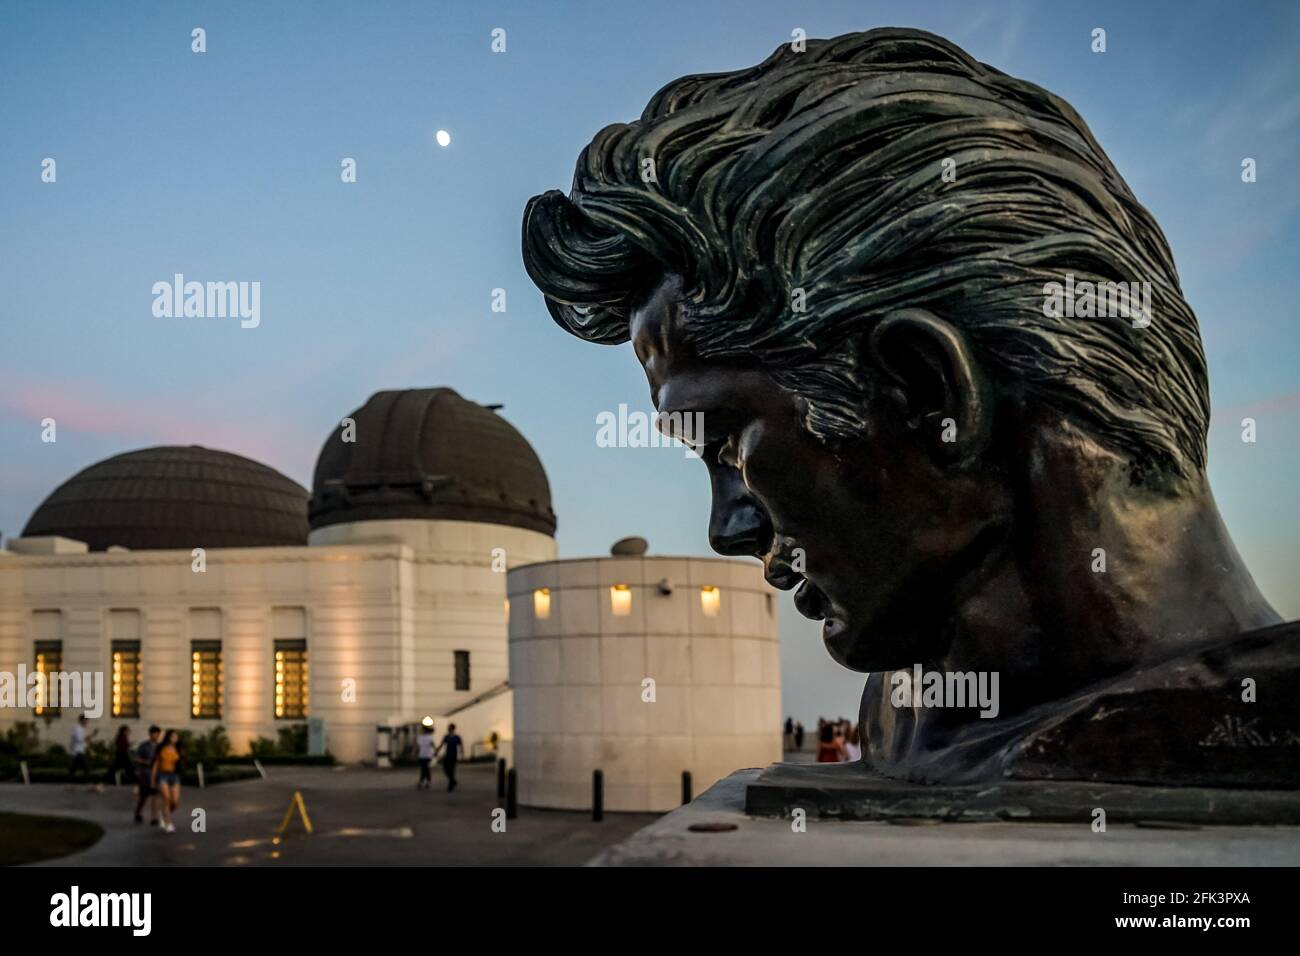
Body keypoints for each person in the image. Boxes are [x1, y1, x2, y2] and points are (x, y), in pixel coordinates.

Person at [151, 729, 182, 833]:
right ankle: (168, 823)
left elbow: (180, 763)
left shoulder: (178, 749)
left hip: (174, 776)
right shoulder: (161, 748)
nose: (176, 738)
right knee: (167, 799)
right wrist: (153, 780)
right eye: (174, 736)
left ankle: (163, 813)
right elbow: (155, 765)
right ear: (168, 737)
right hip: (162, 775)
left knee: (175, 802)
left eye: (177, 736)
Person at [134, 725, 162, 824]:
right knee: (143, 797)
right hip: (145, 774)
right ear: (150, 734)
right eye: (155, 734)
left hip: (156, 775)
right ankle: (138, 813)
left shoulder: (160, 746)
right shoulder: (144, 746)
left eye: (158, 734)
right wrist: (146, 762)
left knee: (155, 796)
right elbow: (137, 758)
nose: (157, 736)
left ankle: (154, 817)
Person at [68, 715, 98, 782]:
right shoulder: (77, 729)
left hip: (79, 752)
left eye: (87, 720)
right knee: (86, 768)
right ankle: (88, 783)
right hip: (78, 752)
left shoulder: (81, 729)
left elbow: (85, 740)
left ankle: (70, 783)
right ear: (81, 720)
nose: (87, 722)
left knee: (73, 769)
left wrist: (90, 749)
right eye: (86, 720)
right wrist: (92, 734)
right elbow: (80, 740)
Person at [435, 723, 463, 792]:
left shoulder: (457, 737)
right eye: (448, 728)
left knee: (452, 770)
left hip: (454, 755)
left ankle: (450, 785)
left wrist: (462, 754)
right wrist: (437, 751)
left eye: (449, 728)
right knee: (445, 769)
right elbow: (442, 744)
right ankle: (453, 780)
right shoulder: (446, 736)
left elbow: (461, 746)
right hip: (447, 755)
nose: (448, 729)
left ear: (453, 729)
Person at [416, 722, 435, 790]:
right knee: (425, 768)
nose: (421, 730)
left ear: (424, 730)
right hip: (421, 754)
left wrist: (435, 752)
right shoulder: (420, 737)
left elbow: (432, 744)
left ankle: (421, 782)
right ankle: (428, 782)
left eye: (422, 729)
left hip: (428, 755)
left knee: (424, 768)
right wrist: (417, 753)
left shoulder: (429, 737)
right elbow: (418, 746)